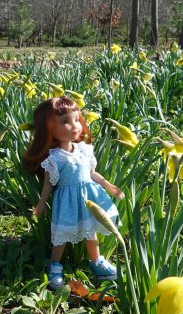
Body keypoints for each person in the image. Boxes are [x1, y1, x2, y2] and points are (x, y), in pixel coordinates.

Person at [23, 96, 124, 289]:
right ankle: (55, 265)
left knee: (90, 233)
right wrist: (41, 204)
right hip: (67, 202)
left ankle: (97, 262)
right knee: (62, 236)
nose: (75, 126)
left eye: (76, 119)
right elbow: (48, 185)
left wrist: (109, 186)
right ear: (48, 128)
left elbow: (92, 173)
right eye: (65, 122)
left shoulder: (85, 150)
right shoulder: (55, 158)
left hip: (89, 200)